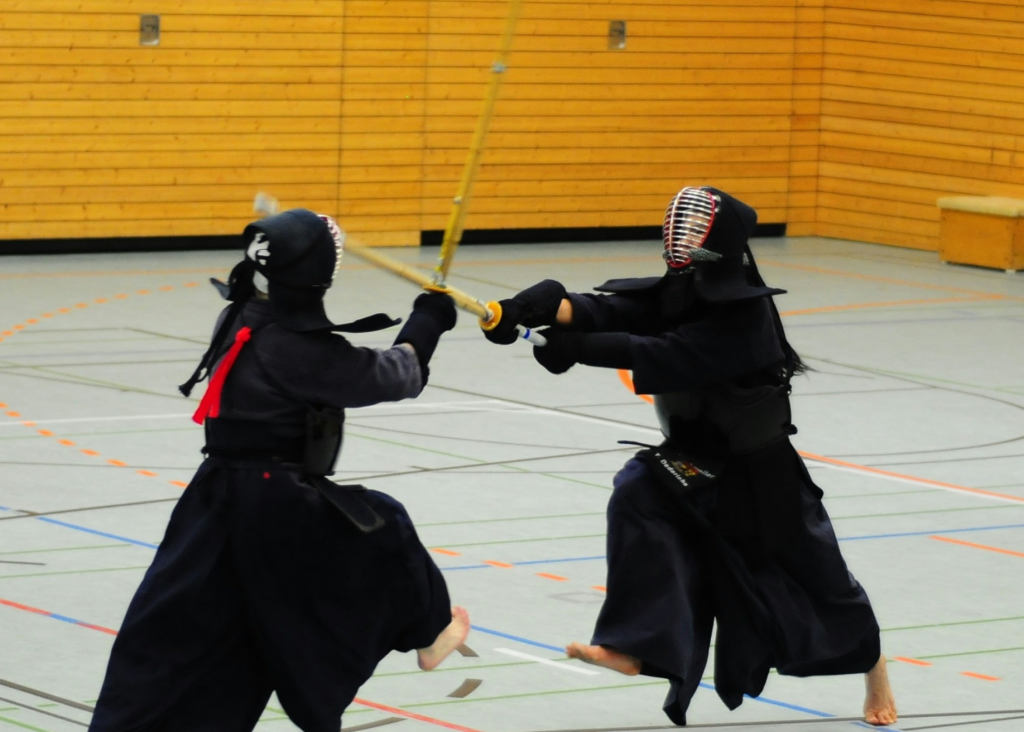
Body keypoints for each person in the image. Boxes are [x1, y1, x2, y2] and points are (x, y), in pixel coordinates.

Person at [482, 187, 897, 727]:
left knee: (822, 586)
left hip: (759, 474)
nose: (680, 237)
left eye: (692, 229)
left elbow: (660, 352)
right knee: (636, 493)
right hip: (693, 460)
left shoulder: (746, 319)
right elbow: (620, 309)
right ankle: (633, 645)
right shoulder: (684, 290)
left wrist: (569, 345)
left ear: (717, 242)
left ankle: (877, 671)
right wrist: (536, 310)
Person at [89, 209, 468, 732]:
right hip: (277, 505)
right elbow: (397, 374)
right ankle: (431, 633)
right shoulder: (299, 349)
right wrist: (428, 320)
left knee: (187, 625)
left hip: (215, 499)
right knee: (383, 527)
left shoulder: (241, 315)